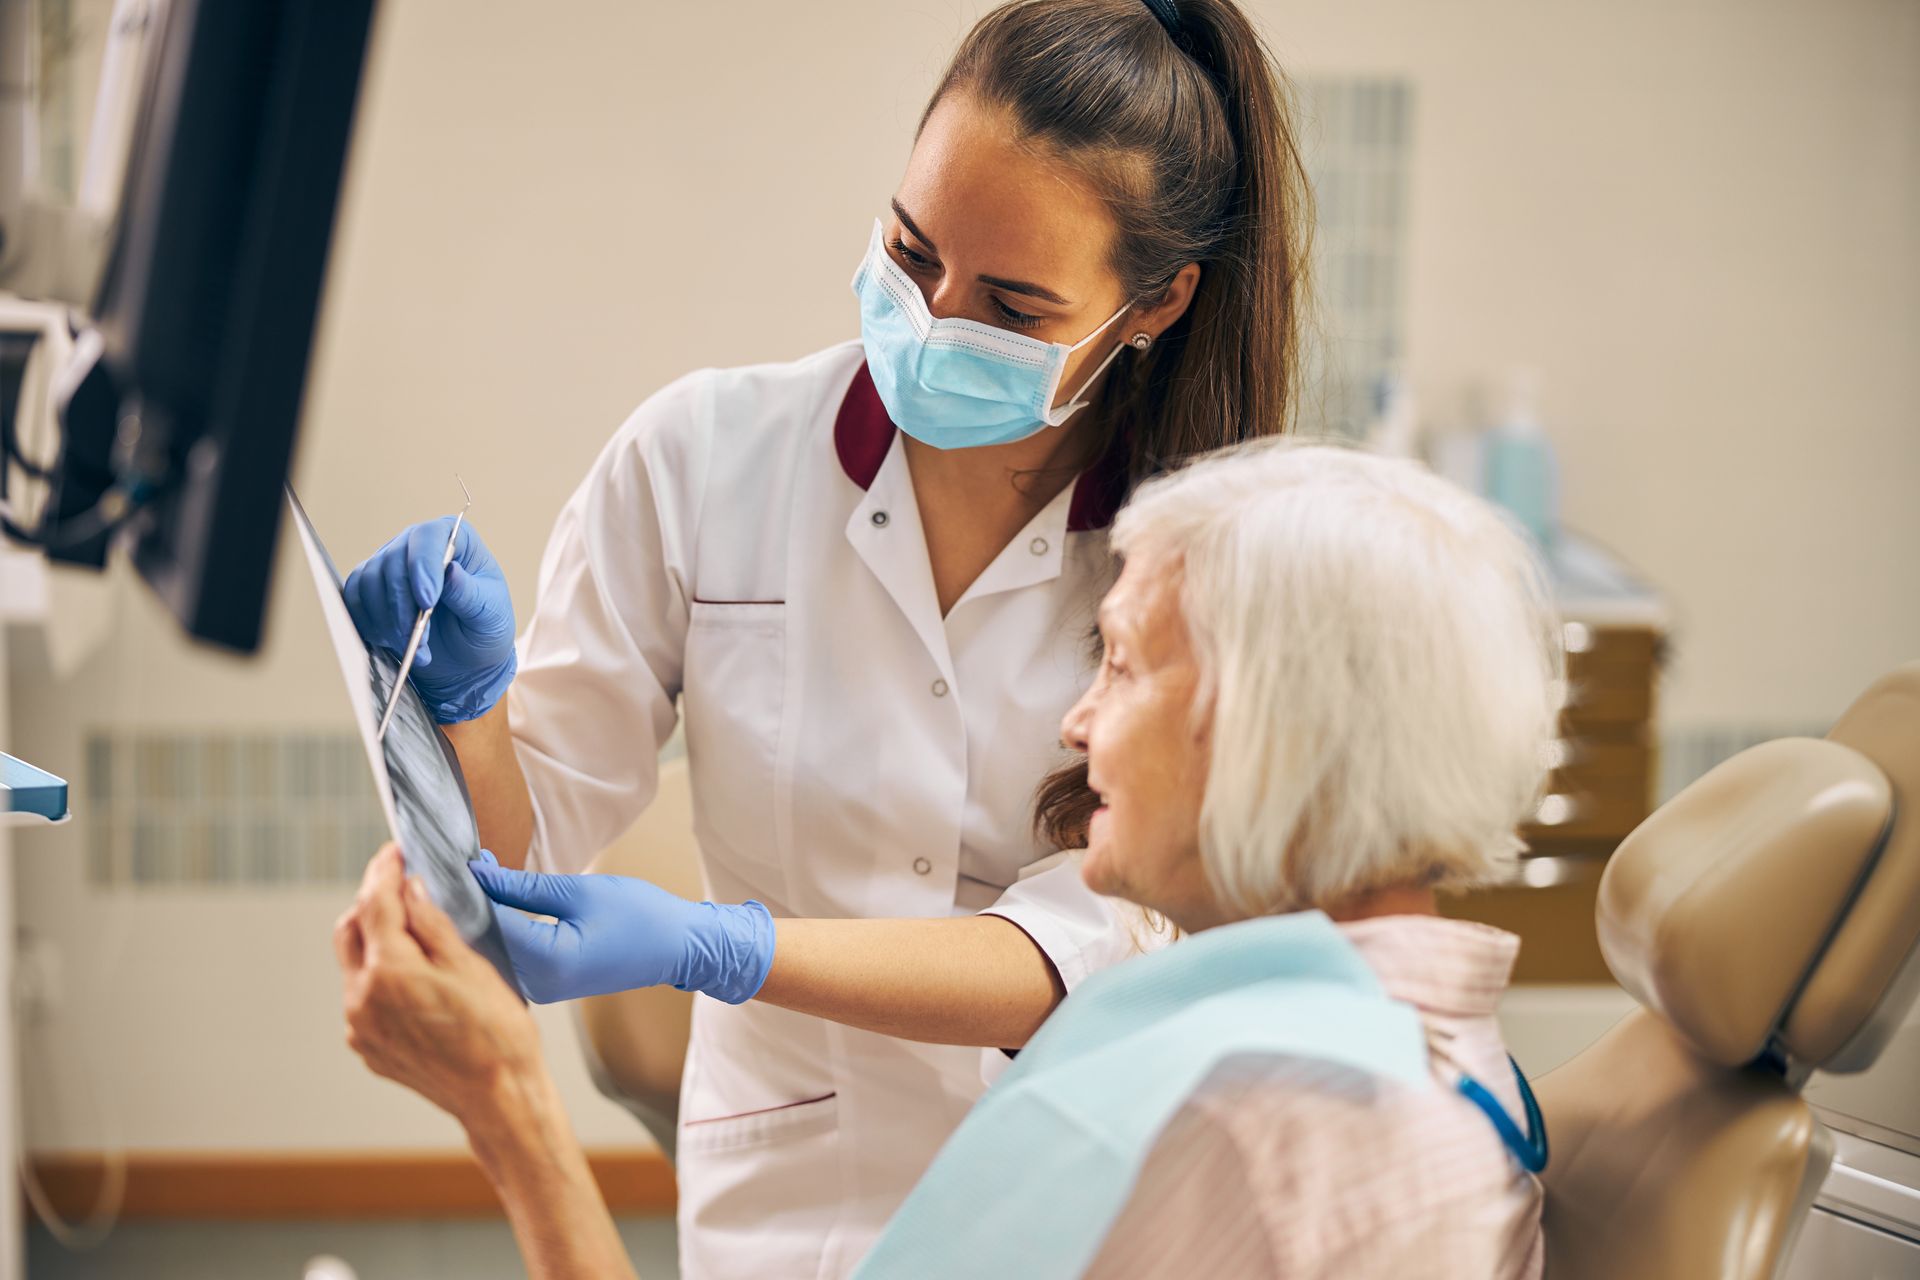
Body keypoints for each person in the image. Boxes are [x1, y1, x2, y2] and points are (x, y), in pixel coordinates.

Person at [340, 1, 1310, 1273]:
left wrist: (726, 948)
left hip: (1081, 1187)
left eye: (1012, 309)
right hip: (784, 1187)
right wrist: (462, 709)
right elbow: (522, 860)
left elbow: (1091, 941)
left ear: (1155, 302)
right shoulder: (703, 460)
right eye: (912, 255)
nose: (932, 319)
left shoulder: (1199, 562)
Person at [335, 441, 1560, 1278]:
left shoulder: (1269, 1132)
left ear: (1274, 728)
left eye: (1123, 664)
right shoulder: (1410, 1055)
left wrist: (509, 1109)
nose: (1077, 723)